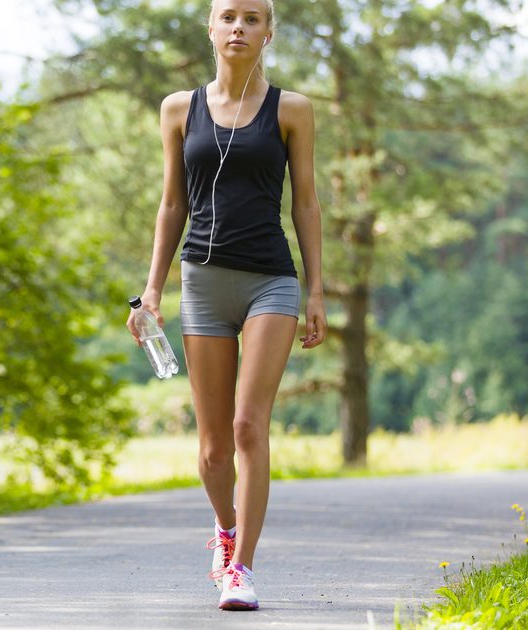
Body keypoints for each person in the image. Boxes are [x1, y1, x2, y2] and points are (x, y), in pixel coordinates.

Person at [125, 0, 328, 612]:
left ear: (268, 33)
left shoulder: (291, 110)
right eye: (228, 17)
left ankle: (240, 570)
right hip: (204, 283)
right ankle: (224, 527)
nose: (239, 27)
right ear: (211, 29)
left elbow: (307, 204)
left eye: (252, 18)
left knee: (247, 427)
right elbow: (170, 206)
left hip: (271, 280)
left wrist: (316, 288)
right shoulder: (178, 109)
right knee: (213, 448)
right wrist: (153, 289)